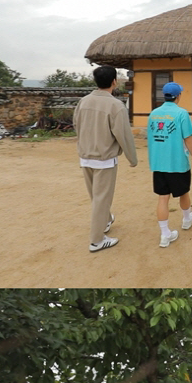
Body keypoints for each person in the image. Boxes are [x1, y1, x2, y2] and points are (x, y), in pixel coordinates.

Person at [73, 64, 137, 253]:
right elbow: (123, 135)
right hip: (104, 159)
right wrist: (132, 158)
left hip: (85, 156)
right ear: (114, 81)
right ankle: (97, 240)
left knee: (96, 196)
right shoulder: (115, 105)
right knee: (101, 198)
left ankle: (106, 220)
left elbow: (76, 125)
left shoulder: (83, 101)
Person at [147, 82, 192, 249]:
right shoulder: (182, 114)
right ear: (178, 96)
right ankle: (186, 219)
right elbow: (188, 138)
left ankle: (165, 234)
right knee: (183, 191)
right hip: (176, 161)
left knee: (163, 197)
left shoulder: (153, 114)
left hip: (158, 162)